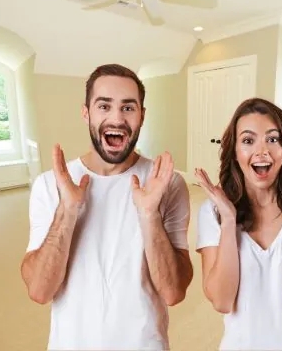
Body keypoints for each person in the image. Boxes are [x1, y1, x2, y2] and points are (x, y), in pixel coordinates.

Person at [20, 64, 193, 350]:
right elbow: (39, 290)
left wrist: (149, 215)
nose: (117, 118)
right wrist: (67, 211)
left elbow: (173, 292)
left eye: (128, 108)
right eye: (104, 106)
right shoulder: (50, 184)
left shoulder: (167, 183)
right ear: (86, 113)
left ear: (142, 116)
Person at [194, 97, 282, 351]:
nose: (262, 151)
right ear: (235, 152)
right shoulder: (214, 213)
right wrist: (228, 221)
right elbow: (222, 301)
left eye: (272, 139)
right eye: (248, 141)